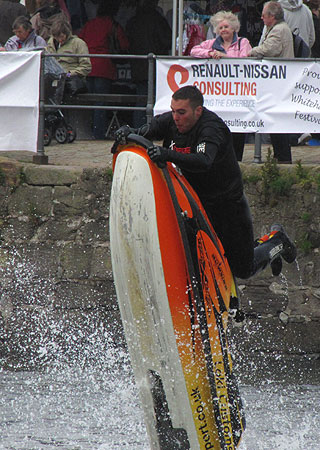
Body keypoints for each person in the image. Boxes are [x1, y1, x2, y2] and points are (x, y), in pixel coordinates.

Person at [115, 85, 297, 281]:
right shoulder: (172, 121)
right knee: (200, 258)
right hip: (195, 203)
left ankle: (277, 241)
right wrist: (128, 131)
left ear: (198, 111)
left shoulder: (211, 128)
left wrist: (166, 154)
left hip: (228, 206)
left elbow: (203, 161)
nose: (176, 117)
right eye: (173, 111)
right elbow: (147, 131)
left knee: (243, 268)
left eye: (182, 112)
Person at [191, 10, 252, 161]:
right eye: (220, 27)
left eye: (226, 27)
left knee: (238, 125)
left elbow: (246, 58)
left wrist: (225, 56)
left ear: (234, 28)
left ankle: (237, 159)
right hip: (219, 94)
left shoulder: (243, 42)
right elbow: (194, 50)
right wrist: (210, 54)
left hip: (238, 93)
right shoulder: (212, 44)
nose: (223, 30)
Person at [249, 1, 294, 164]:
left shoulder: (279, 30)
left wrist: (251, 51)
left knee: (277, 120)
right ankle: (280, 156)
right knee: (276, 120)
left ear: (272, 16)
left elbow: (269, 49)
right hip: (278, 81)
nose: (261, 17)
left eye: (264, 14)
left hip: (278, 82)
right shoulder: (278, 28)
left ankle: (282, 157)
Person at [79, 1, 129, 140]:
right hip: (104, 67)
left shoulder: (89, 24)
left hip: (88, 66)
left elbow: (80, 41)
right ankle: (98, 133)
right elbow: (124, 44)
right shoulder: (112, 25)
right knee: (100, 102)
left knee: (90, 101)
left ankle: (88, 131)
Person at [126, 0, 171, 128]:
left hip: (138, 65)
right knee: (156, 101)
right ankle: (152, 129)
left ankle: (139, 129)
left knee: (141, 101)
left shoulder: (133, 21)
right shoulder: (158, 20)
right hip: (156, 66)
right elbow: (167, 40)